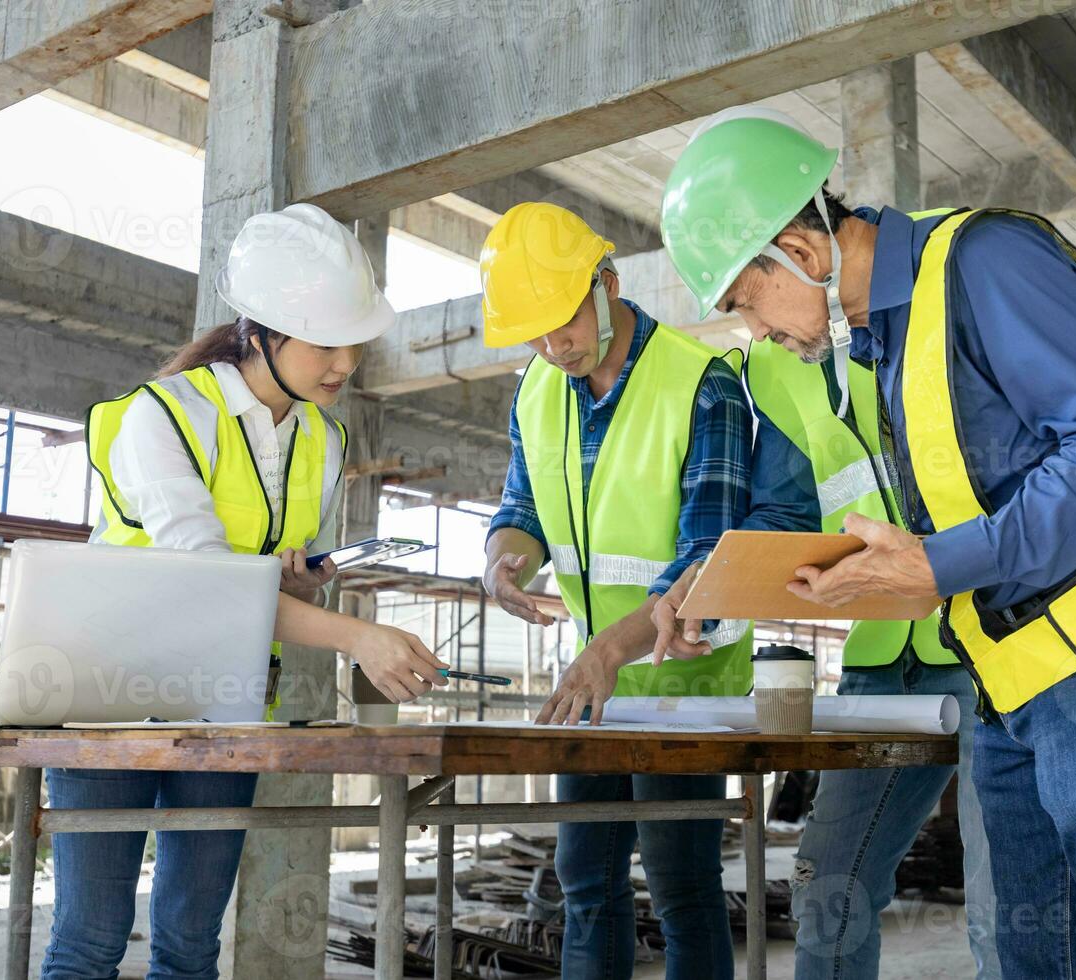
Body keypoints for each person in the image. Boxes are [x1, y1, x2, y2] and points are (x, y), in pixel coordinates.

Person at [655, 106, 1076, 978]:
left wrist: (940, 563)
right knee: (1031, 956)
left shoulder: (983, 259)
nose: (753, 330)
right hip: (1011, 682)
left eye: (744, 300)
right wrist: (888, 573)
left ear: (802, 251)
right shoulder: (878, 349)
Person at [45, 203, 449, 979]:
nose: (343, 363)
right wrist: (358, 637)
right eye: (325, 343)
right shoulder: (160, 417)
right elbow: (207, 576)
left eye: (353, 345)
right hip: (106, 691)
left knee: (194, 944)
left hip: (224, 690)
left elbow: (251, 572)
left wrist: (293, 575)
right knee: (90, 943)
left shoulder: (324, 438)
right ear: (261, 331)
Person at [478, 202, 753, 980]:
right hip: (591, 684)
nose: (550, 346)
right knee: (587, 884)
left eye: (561, 323)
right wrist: (503, 562)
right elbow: (520, 511)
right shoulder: (535, 390)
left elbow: (709, 554)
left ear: (608, 282)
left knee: (681, 885)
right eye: (531, 333)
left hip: (683, 681)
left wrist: (610, 650)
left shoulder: (703, 384)